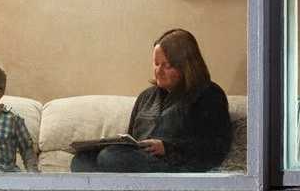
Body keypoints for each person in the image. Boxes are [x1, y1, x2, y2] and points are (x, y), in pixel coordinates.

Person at [69, 27, 233, 173]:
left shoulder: (208, 93)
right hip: (138, 161)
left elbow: (216, 148)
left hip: (175, 166)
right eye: (155, 63)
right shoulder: (146, 97)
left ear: (186, 66)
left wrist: (167, 148)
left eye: (167, 66)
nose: (158, 71)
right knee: (82, 160)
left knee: (111, 157)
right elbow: (131, 139)